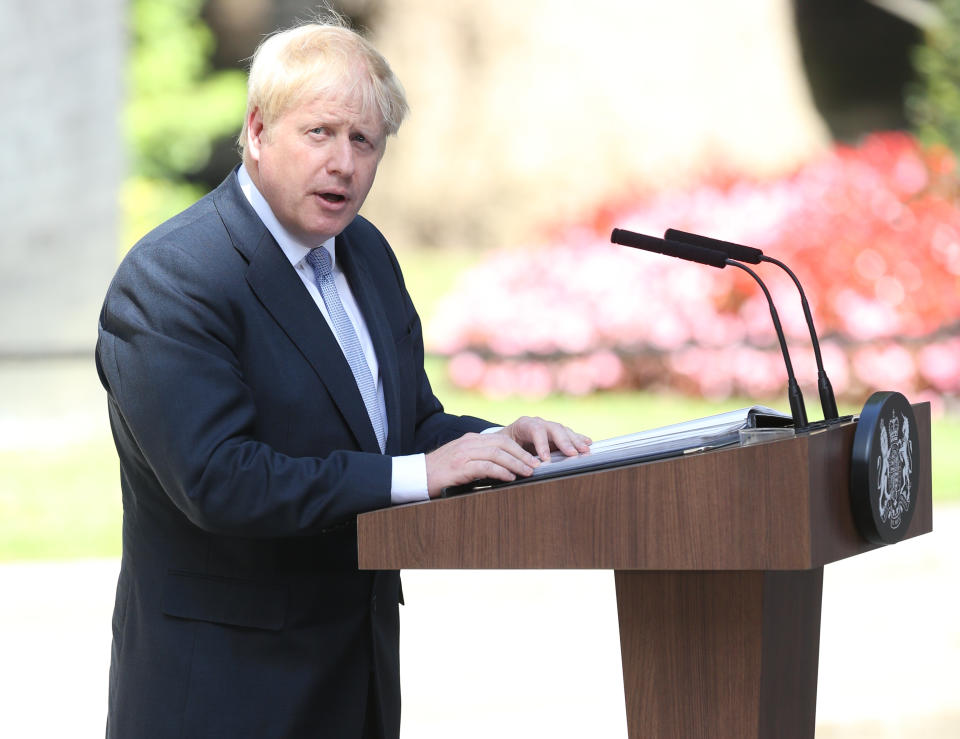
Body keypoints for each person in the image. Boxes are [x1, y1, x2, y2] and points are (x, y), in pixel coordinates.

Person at [95, 13, 590, 739]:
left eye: (364, 141)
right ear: (258, 132)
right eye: (319, 132)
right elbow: (221, 479)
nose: (344, 162)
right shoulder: (175, 278)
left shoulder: (365, 253)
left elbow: (407, 425)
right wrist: (418, 473)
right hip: (224, 693)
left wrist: (503, 442)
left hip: (353, 680)